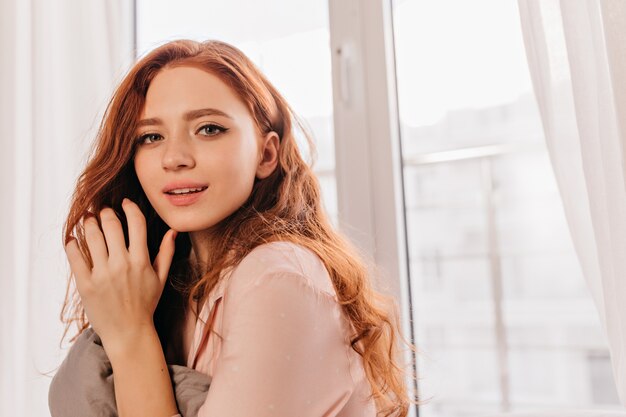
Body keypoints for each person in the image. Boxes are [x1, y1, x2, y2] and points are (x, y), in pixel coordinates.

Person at [58, 39, 421, 417]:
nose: (174, 158)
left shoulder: (276, 273)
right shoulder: (171, 287)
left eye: (209, 129)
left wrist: (130, 336)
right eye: (151, 137)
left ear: (266, 154)